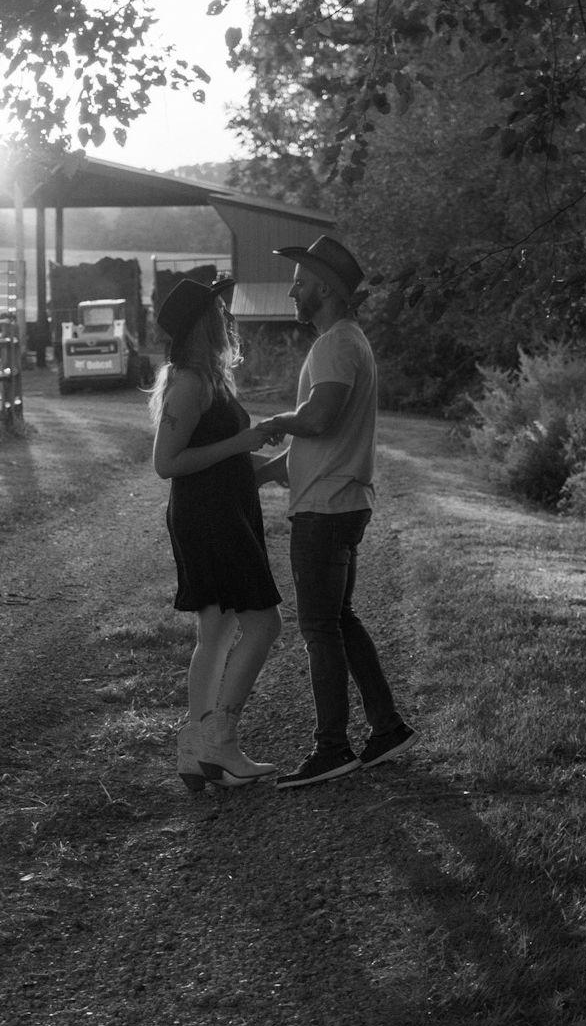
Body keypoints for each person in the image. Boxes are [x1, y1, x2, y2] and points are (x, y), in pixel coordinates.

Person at [255, 234, 416, 788]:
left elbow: (318, 419)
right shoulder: (348, 342)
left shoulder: (334, 345)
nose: (292, 291)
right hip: (341, 501)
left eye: (300, 281)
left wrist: (273, 422)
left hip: (325, 511)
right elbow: (321, 437)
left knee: (319, 628)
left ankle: (332, 748)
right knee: (340, 619)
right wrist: (262, 473)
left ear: (324, 288)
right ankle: (387, 727)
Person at [150, 276, 285, 792]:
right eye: (219, 311)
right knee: (264, 624)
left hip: (221, 509)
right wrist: (240, 443)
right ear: (204, 323)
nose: (227, 318)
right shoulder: (190, 383)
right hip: (210, 518)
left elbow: (223, 461)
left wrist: (270, 467)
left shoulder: (209, 379)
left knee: (217, 632)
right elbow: (167, 464)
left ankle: (193, 749)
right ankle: (221, 744)